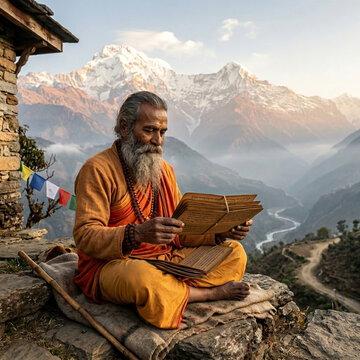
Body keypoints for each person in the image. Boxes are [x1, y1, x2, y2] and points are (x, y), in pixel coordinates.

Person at [73, 91, 253, 329]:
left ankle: (174, 292)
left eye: (162, 132)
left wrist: (221, 233)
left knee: (235, 252)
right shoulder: (97, 170)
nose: (158, 140)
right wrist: (136, 234)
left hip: (166, 260)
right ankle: (208, 294)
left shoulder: (164, 171)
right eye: (149, 131)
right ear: (125, 127)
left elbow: (181, 230)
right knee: (143, 279)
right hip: (116, 265)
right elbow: (85, 237)